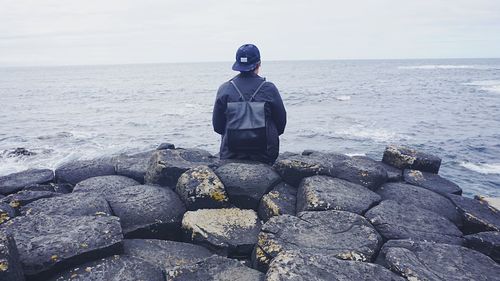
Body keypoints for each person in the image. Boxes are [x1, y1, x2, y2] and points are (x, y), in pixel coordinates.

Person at [212, 44, 286, 164]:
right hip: (265, 154)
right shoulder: (269, 88)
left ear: (237, 65)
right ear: (259, 64)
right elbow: (281, 123)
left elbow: (218, 126)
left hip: (231, 153)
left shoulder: (225, 88)